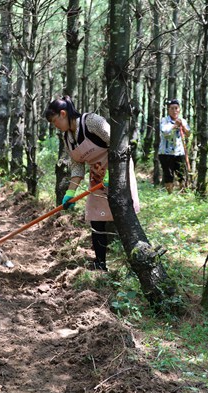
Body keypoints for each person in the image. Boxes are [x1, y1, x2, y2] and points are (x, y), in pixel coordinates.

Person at [44, 96, 140, 271]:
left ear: (63, 113)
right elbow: (77, 167)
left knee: (123, 217)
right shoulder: (68, 138)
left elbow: (118, 144)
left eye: (54, 121)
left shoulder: (92, 122)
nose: (54, 125)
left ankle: (136, 265)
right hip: (97, 179)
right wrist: (70, 193)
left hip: (119, 172)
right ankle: (100, 264)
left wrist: (114, 174)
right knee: (96, 219)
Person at [158, 99, 191, 194]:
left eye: (176, 108)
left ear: (179, 109)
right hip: (165, 153)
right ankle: (170, 195)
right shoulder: (164, 120)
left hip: (179, 152)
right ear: (168, 110)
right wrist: (174, 125)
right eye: (172, 108)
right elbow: (164, 131)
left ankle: (183, 193)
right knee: (169, 175)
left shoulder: (183, 121)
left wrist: (183, 127)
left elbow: (188, 133)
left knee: (182, 174)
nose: (174, 110)